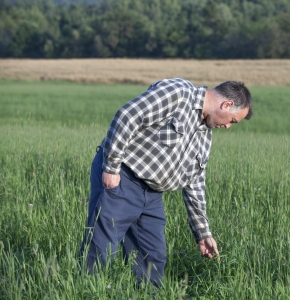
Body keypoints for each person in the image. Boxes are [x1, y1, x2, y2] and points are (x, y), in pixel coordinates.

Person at [79, 78, 252, 287]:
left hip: (151, 195)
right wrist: (112, 167)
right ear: (227, 105)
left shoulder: (205, 134)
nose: (227, 126)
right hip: (123, 177)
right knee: (101, 249)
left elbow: (195, 182)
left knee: (153, 256)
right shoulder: (178, 93)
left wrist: (203, 233)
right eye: (231, 121)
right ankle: (84, 291)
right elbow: (127, 115)